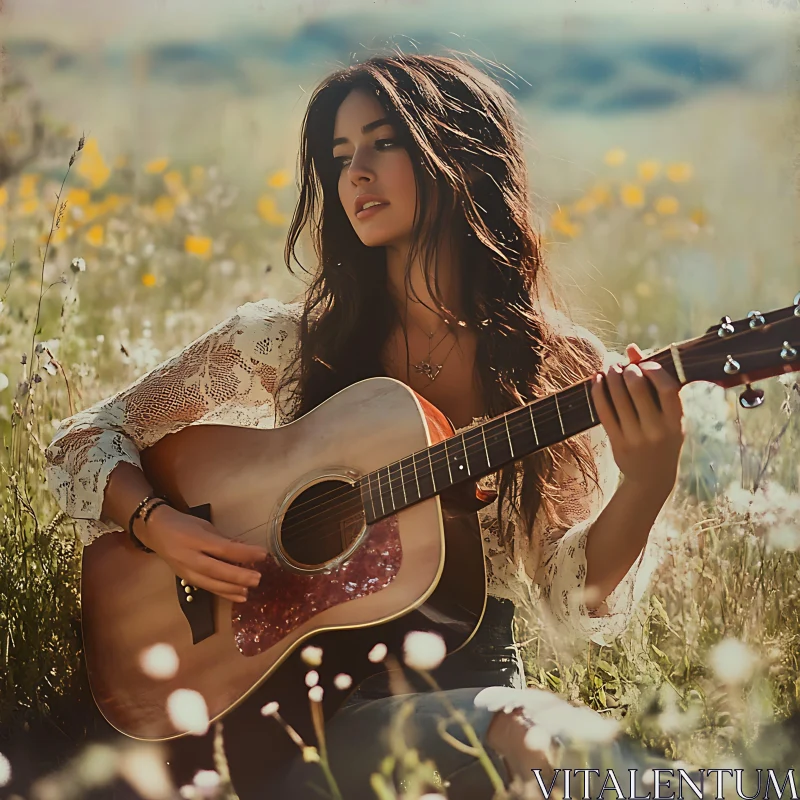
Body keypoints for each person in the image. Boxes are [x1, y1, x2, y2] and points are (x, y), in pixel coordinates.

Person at [45, 53, 685, 799]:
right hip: (296, 719)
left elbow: (571, 592)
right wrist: (157, 524)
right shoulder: (284, 345)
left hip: (473, 695)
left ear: (459, 153)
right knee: (527, 731)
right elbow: (85, 439)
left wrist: (648, 481)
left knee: (527, 734)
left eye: (383, 142)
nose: (355, 173)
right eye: (340, 155)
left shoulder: (558, 364)